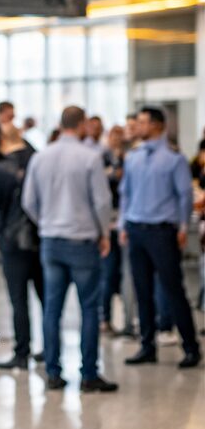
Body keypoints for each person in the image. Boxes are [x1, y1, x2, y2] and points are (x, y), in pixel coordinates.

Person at [22, 106, 118, 392]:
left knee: (52, 309)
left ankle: (53, 372)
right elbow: (101, 202)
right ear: (83, 124)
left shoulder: (40, 157)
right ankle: (88, 374)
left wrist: (47, 223)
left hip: (51, 241)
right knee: (89, 308)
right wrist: (103, 233)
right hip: (82, 241)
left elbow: (29, 201)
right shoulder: (90, 157)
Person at [119, 107, 202, 368]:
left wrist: (180, 228)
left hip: (162, 232)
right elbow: (126, 193)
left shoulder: (174, 159)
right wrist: (123, 224)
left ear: (156, 126)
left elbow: (184, 196)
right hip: (136, 229)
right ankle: (147, 345)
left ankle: (190, 347)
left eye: (142, 122)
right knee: (142, 291)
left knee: (173, 289)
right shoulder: (133, 157)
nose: (137, 126)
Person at [0, 123, 44, 369]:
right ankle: (50, 348)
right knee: (46, 297)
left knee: (19, 300)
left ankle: (22, 352)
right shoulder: (38, 161)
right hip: (40, 237)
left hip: (12, 240)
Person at [100, 125, 125, 335]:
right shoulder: (101, 158)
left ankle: (127, 320)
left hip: (124, 221)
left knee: (123, 274)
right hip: (108, 223)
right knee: (108, 273)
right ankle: (105, 318)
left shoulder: (129, 158)